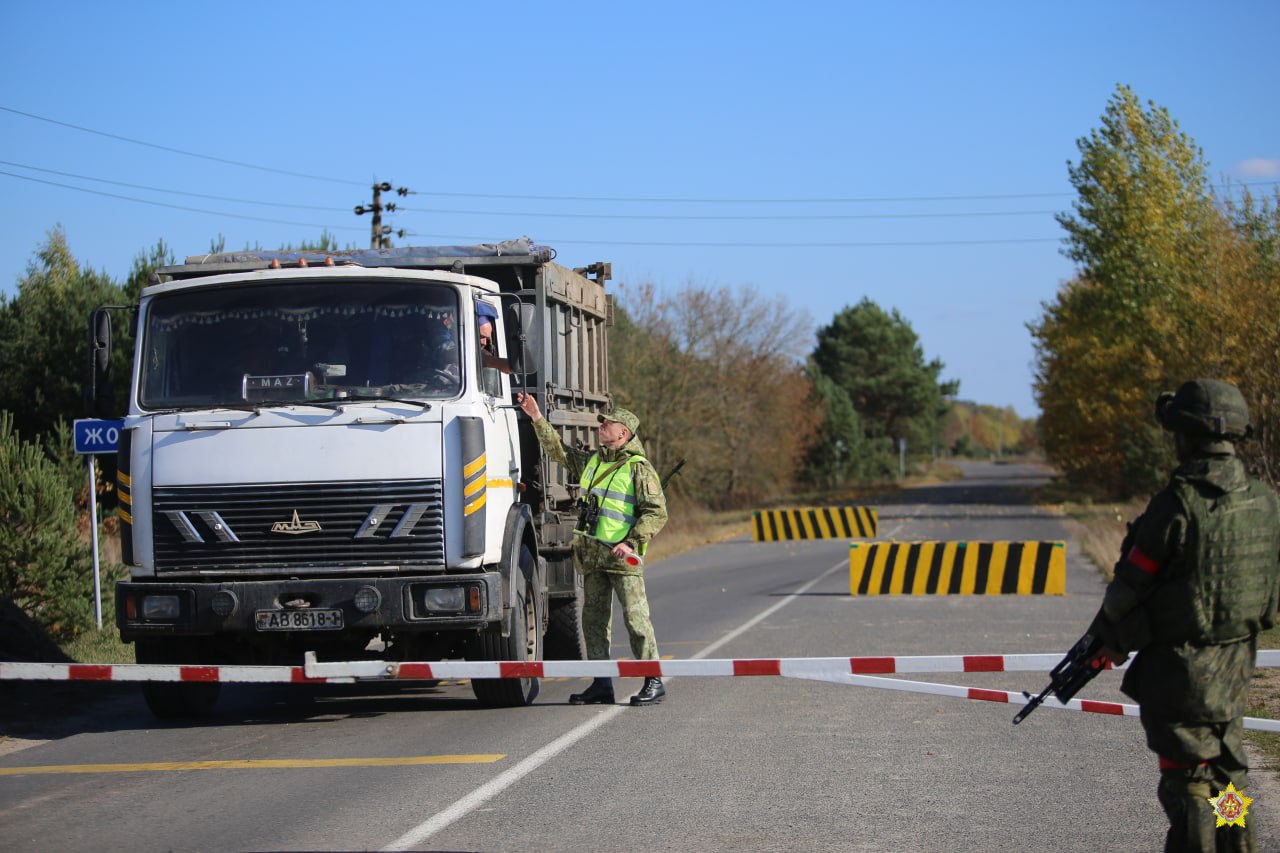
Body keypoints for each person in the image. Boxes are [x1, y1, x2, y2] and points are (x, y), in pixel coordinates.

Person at [1086, 379, 1280, 852]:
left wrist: (1108, 635)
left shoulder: (1177, 506)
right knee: (1227, 776)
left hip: (1180, 670)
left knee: (1189, 782)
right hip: (1236, 666)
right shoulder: (1266, 503)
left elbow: (1128, 588)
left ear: (1187, 437)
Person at [517, 392, 669, 706]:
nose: (600, 428)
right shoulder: (594, 461)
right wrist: (536, 418)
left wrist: (631, 541)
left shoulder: (638, 469)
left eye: (607, 425)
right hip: (593, 557)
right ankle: (601, 684)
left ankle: (653, 680)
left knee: (636, 619)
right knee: (594, 623)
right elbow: (558, 452)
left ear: (623, 433)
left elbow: (657, 513)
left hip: (622, 557)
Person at [474, 300, 512, 375]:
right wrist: (496, 362)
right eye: (481, 337)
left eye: (487, 339)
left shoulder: (484, 351)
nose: (484, 342)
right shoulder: (450, 345)